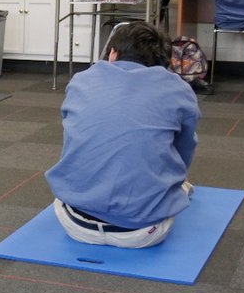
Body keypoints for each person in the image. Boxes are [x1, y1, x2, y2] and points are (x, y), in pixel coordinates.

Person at [45, 21, 200, 249]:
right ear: (163, 63)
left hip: (74, 223)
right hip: (144, 231)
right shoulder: (177, 88)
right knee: (177, 182)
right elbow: (184, 150)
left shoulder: (81, 80)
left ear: (113, 54)